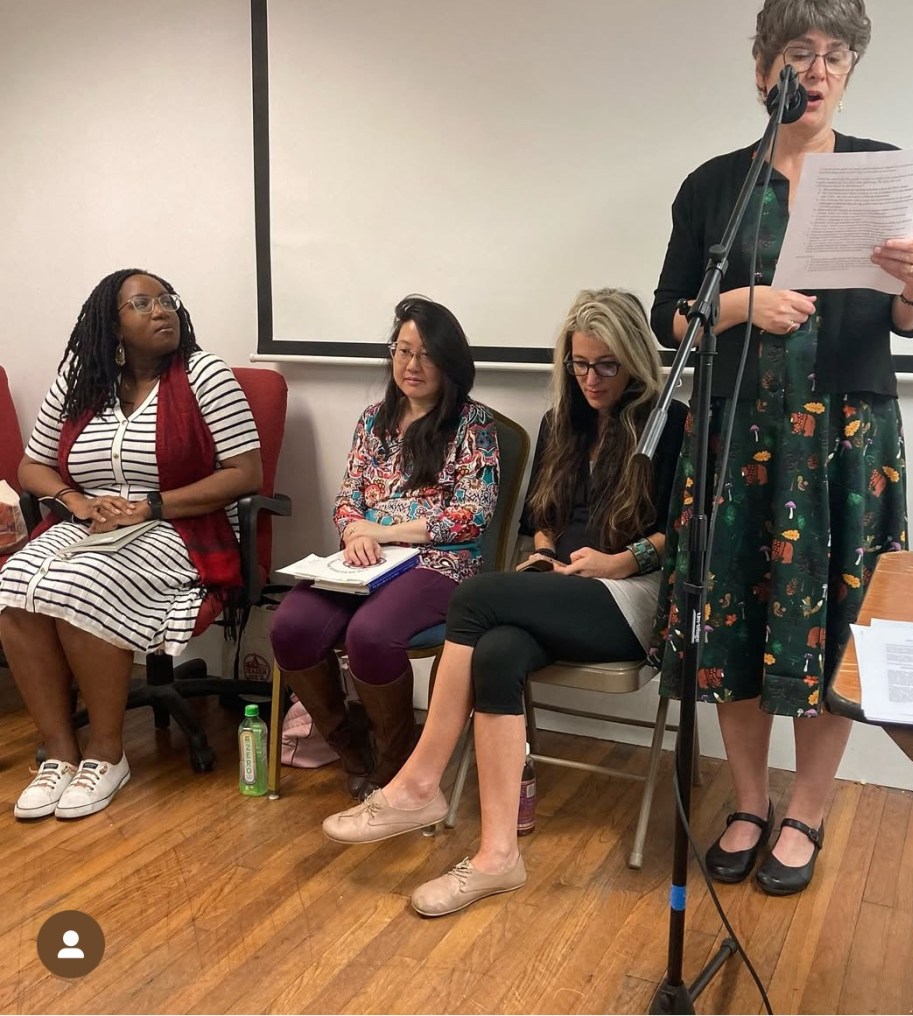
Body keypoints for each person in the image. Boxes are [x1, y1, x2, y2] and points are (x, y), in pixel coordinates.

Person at [648, 0, 913, 895]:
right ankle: (748, 801)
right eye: (797, 53)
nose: (815, 71)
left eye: (834, 55)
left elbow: (911, 320)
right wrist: (742, 305)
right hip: (739, 439)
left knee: (832, 623)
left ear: (849, 71)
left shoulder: (881, 173)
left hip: (845, 442)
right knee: (732, 615)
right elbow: (667, 317)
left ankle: (806, 809)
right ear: (761, 69)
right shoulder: (715, 186)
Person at [317, 287, 685, 916]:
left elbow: (683, 530)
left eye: (607, 365)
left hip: (630, 595)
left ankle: (418, 783)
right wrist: (542, 554)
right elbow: (544, 518)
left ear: (636, 362)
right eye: (579, 364)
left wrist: (620, 561)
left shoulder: (671, 423)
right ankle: (497, 858)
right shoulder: (561, 420)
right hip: (560, 586)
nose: (591, 379)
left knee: (476, 596)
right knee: (496, 653)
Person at [0, 268, 262, 820]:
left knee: (78, 584)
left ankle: (106, 753)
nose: (161, 310)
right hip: (88, 522)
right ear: (112, 326)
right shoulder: (80, 383)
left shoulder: (205, 376)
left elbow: (245, 473)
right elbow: (31, 466)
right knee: (13, 583)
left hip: (179, 527)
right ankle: (60, 754)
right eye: (142, 304)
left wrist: (150, 506)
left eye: (166, 300)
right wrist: (75, 500)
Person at [269, 296, 498, 801]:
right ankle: (349, 747)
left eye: (426, 354)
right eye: (403, 350)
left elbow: (472, 514)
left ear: (450, 362)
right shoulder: (374, 419)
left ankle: (396, 757)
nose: (412, 365)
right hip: (367, 561)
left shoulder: (473, 424)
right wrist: (355, 532)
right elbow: (347, 498)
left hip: (443, 563)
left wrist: (385, 532)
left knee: (371, 635)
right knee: (291, 625)